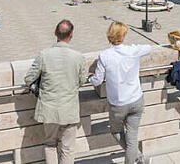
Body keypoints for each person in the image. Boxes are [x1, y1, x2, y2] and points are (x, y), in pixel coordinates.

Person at [24, 20, 88, 164]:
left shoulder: (44, 55)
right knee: (68, 148)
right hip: (69, 109)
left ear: (55, 33)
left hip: (49, 109)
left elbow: (29, 78)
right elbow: (82, 81)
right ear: (71, 35)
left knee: (50, 144)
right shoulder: (78, 56)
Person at [89, 21, 152, 164]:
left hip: (118, 104)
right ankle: (139, 158)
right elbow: (149, 48)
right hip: (136, 100)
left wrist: (89, 77)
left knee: (116, 132)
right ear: (123, 36)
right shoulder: (133, 51)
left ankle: (139, 157)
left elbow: (97, 81)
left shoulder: (104, 55)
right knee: (132, 139)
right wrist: (135, 48)